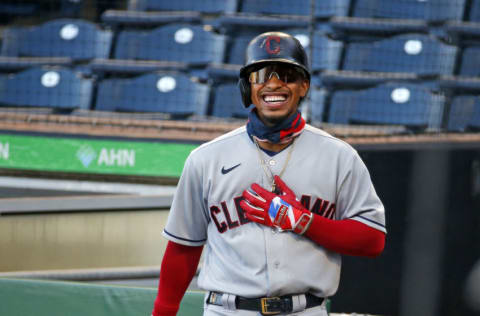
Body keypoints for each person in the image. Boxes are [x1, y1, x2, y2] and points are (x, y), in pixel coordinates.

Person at [151, 31, 386, 316]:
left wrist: (303, 222)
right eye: (261, 75)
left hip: (305, 310)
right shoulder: (206, 158)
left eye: (286, 75)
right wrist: (163, 310)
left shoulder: (339, 156)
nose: (273, 84)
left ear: (304, 86)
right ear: (246, 88)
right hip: (228, 310)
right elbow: (183, 248)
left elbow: (372, 239)